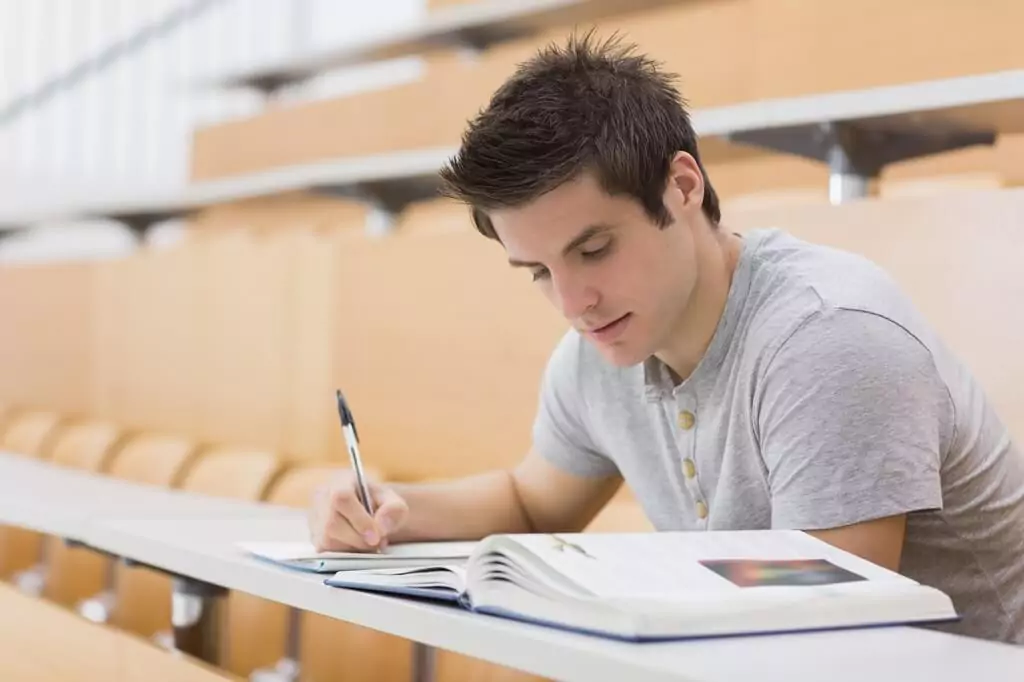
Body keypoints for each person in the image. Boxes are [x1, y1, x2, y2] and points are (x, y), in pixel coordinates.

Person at [307, 31, 1024, 644]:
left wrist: (640, 583)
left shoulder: (827, 338)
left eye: (594, 251)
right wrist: (386, 509)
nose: (572, 303)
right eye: (537, 273)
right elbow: (531, 502)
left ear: (682, 185)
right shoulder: (601, 348)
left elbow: (830, 619)